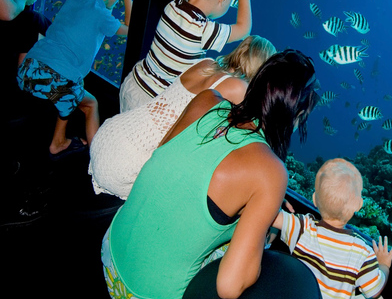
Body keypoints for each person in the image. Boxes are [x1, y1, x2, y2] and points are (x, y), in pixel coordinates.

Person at [101, 49, 320, 298]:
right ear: (296, 115)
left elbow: (168, 164)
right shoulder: (271, 172)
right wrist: (263, 212)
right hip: (143, 291)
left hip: (111, 246)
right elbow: (229, 286)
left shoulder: (207, 100)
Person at [89, 35, 276, 200]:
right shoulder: (239, 88)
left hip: (110, 133)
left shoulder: (205, 63)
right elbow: (256, 129)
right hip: (127, 162)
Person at [16, 0, 136, 160]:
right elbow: (132, 29)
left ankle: (59, 140)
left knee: (68, 90)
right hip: (57, 79)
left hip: (27, 70)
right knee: (90, 104)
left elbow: (96, 16)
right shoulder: (102, 16)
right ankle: (98, 160)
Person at [119, 0, 252, 113]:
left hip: (134, 82)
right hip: (152, 101)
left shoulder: (173, 6)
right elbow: (244, 29)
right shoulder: (202, 30)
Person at [272, 158, 392, 299]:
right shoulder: (362, 251)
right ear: (358, 205)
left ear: (314, 199)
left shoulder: (302, 226)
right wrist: (384, 265)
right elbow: (374, 291)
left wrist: (279, 200)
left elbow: (269, 215)